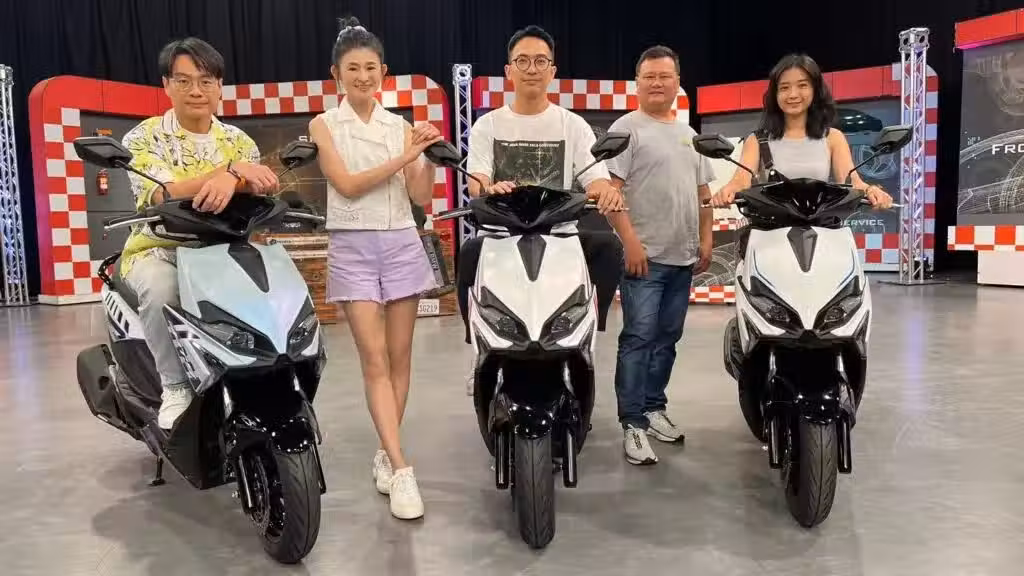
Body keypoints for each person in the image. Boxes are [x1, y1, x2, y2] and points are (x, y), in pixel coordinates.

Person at [308, 17, 441, 521]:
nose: (363, 76)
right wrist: (405, 156)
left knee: (400, 358)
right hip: (353, 245)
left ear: (383, 72)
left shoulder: (400, 126)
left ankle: (387, 453)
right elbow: (346, 186)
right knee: (374, 361)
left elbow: (420, 197)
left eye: (371, 68)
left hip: (402, 241)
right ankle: (403, 469)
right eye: (353, 68)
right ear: (336, 74)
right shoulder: (324, 125)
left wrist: (425, 157)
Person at [121, 38, 278, 430]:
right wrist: (230, 173)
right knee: (161, 290)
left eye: (206, 81)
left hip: (224, 250)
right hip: (159, 249)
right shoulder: (142, 138)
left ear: (219, 86)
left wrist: (242, 176)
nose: (196, 91)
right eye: (184, 80)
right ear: (166, 84)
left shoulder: (239, 142)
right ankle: (175, 385)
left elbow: (260, 186)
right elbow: (164, 192)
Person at [459, 24, 625, 391]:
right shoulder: (488, 125)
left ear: (552, 71)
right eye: (522, 61)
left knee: (608, 248)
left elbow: (595, 177)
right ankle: (478, 348)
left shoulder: (573, 125)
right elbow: (477, 181)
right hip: (502, 235)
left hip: (560, 234)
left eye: (540, 61)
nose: (531, 69)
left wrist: (605, 191)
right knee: (469, 253)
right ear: (509, 71)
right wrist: (489, 188)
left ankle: (584, 335)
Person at [604, 46, 714, 465]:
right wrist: (630, 242)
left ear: (677, 82)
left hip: (682, 258)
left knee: (667, 339)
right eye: (649, 76)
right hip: (644, 260)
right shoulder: (625, 129)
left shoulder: (689, 134)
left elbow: (703, 194)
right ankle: (632, 423)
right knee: (638, 339)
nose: (657, 83)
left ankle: (653, 408)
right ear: (637, 82)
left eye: (665, 76)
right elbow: (610, 193)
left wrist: (706, 239)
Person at [711, 53, 894, 216]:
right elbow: (741, 180)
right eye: (784, 88)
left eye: (802, 85)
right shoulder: (757, 140)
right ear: (775, 94)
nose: (793, 94)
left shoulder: (833, 137)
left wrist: (871, 190)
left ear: (815, 90)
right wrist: (728, 190)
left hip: (822, 228)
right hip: (770, 231)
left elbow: (851, 181)